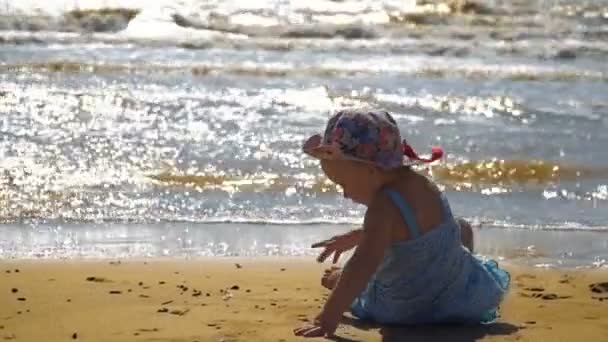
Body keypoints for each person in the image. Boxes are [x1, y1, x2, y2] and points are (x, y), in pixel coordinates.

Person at [293, 109, 510, 338]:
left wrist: (327, 319)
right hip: (458, 301)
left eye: (342, 183)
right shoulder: (424, 185)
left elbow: (361, 266)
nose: (345, 194)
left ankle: (337, 281)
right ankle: (450, 275)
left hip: (405, 310)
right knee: (461, 227)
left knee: (361, 276)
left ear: (369, 170)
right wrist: (361, 234)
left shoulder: (382, 207)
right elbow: (409, 228)